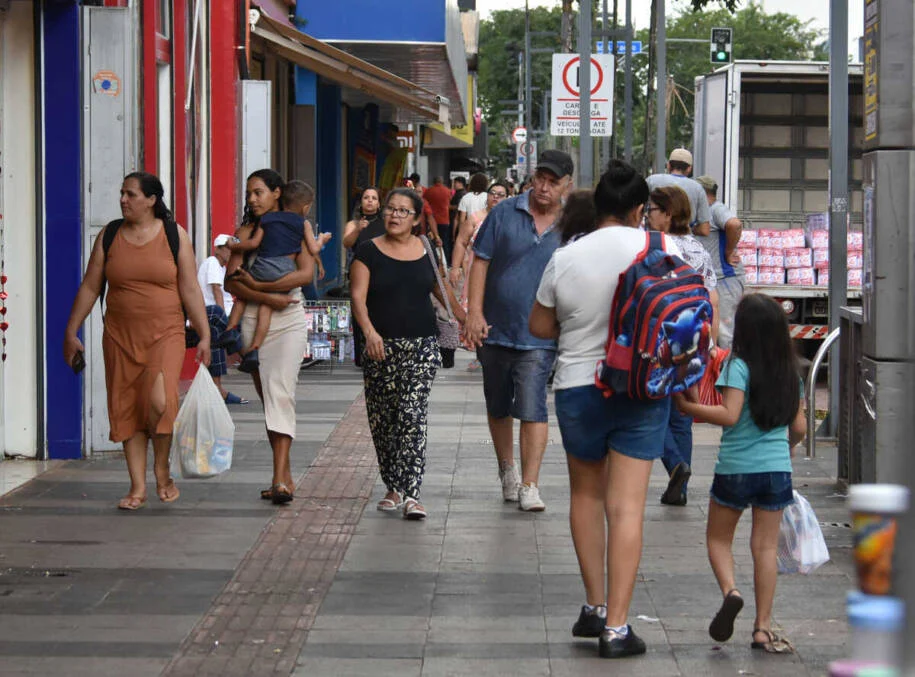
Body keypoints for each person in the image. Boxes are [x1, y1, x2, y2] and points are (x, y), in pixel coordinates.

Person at [529, 159, 683, 658]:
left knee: (587, 496)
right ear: (641, 209)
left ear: (598, 206)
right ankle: (618, 628)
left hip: (578, 387)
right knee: (628, 507)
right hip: (641, 388)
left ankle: (594, 606)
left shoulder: (568, 256)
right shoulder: (664, 248)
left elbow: (539, 327)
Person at [63, 172, 211, 511]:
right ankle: (137, 486)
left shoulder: (175, 235)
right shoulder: (110, 234)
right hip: (119, 334)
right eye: (122, 194)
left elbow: (189, 287)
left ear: (151, 200)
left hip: (166, 332)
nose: (123, 200)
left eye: (130, 194)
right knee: (127, 404)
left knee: (160, 402)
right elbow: (90, 286)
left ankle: (162, 469)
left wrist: (204, 334)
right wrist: (72, 330)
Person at [673, 293, 806, 654]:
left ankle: (731, 591)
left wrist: (688, 406)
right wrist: (786, 448)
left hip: (736, 468)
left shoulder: (738, 364)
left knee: (718, 540)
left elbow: (730, 415)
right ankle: (762, 628)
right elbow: (799, 427)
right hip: (776, 469)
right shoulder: (791, 372)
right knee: (764, 548)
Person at [465, 151, 573, 512]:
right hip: (495, 328)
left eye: (552, 181)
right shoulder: (504, 213)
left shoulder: (572, 225)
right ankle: (506, 469)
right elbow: (480, 262)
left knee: (532, 406)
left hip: (541, 335)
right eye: (539, 178)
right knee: (498, 406)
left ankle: (530, 484)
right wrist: (474, 314)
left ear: (566, 186)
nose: (543, 187)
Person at [350, 188, 465, 520]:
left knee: (412, 416)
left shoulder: (426, 249)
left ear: (416, 219)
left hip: (422, 346)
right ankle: (393, 486)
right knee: (384, 420)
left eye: (403, 211)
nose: (395, 215)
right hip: (380, 348)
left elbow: (442, 292)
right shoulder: (367, 251)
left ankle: (412, 493)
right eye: (391, 209)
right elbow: (358, 298)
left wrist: (468, 322)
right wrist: (370, 334)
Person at [223, 169, 316, 505]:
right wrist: (267, 297)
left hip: (289, 317)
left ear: (278, 193)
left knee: (281, 394)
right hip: (253, 319)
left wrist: (260, 287)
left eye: (258, 192)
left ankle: (279, 478)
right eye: (249, 193)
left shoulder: (293, 226)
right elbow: (231, 282)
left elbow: (305, 274)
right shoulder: (246, 232)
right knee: (271, 399)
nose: (252, 199)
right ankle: (284, 474)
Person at [645, 184, 720, 507]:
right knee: (683, 414)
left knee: (651, 408)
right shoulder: (698, 250)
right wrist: (711, 341)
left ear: (668, 214)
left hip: (659, 338)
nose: (648, 215)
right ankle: (681, 488)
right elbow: (711, 298)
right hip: (692, 337)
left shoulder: (652, 248)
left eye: (653, 210)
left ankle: (676, 464)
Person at [224, 180, 329, 373]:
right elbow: (313, 250)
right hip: (283, 270)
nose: (252, 199)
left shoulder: (267, 220)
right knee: (266, 307)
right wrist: (322, 238)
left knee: (242, 293)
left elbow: (253, 244)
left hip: (261, 265)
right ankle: (255, 348)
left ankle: (230, 328)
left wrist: (233, 246)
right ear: (306, 207)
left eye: (258, 193)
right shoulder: (302, 223)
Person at [196, 234, 247, 404]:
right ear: (218, 249)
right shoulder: (212, 262)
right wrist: (225, 318)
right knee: (220, 324)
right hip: (208, 313)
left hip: (218, 317)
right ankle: (244, 353)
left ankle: (219, 389)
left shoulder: (224, 269)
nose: (230, 252)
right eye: (227, 248)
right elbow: (216, 291)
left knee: (218, 337)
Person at [695, 175, 744, 349]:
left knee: (725, 336)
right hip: (714, 283)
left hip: (724, 281)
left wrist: (729, 251)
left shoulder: (715, 209)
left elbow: (734, 224)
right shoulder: (702, 213)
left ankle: (729, 375)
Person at [343, 188, 384, 367]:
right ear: (361, 202)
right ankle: (362, 355)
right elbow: (347, 243)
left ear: (379, 203)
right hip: (359, 272)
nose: (369, 201)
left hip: (382, 271)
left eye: (373, 198)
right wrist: (358, 230)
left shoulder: (385, 223)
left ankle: (381, 348)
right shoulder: (353, 223)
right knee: (360, 309)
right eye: (366, 198)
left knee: (380, 310)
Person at [646, 148, 711, 236]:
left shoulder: (652, 180)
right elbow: (704, 229)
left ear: (668, 165)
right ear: (689, 168)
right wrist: (689, 228)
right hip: (683, 241)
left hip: (655, 238)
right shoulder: (698, 188)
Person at [425, 176, 453, 262]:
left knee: (432, 242)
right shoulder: (448, 191)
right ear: (442, 181)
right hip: (445, 220)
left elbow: (425, 202)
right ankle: (446, 261)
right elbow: (450, 202)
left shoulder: (429, 191)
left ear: (433, 182)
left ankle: (434, 260)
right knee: (444, 241)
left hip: (432, 220)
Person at [455, 173, 489, 241]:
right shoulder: (488, 197)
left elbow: (462, 220)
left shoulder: (466, 197)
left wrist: (461, 235)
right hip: (485, 230)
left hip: (470, 231)